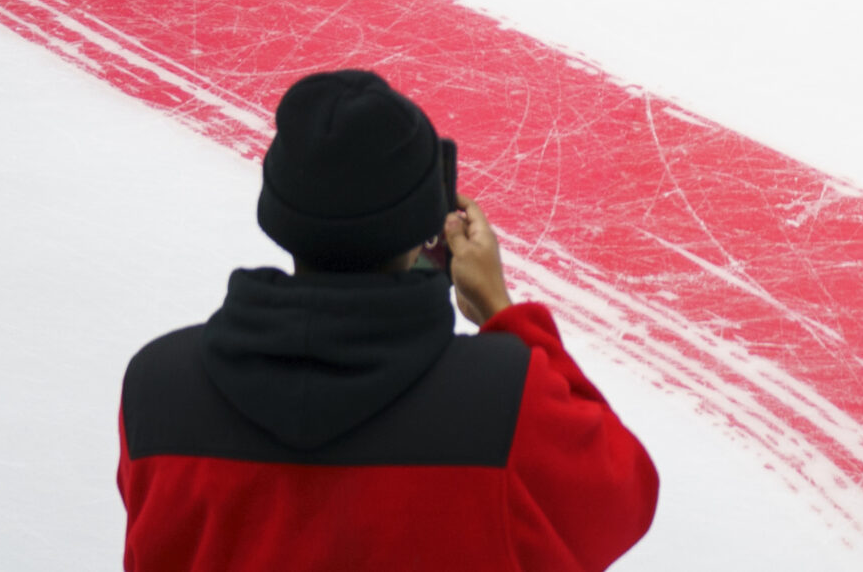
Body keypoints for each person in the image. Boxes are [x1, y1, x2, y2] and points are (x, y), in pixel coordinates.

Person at [117, 70, 659, 572]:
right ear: (426, 226)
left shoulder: (157, 389)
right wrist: (501, 310)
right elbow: (621, 498)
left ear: (280, 211)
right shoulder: (504, 404)